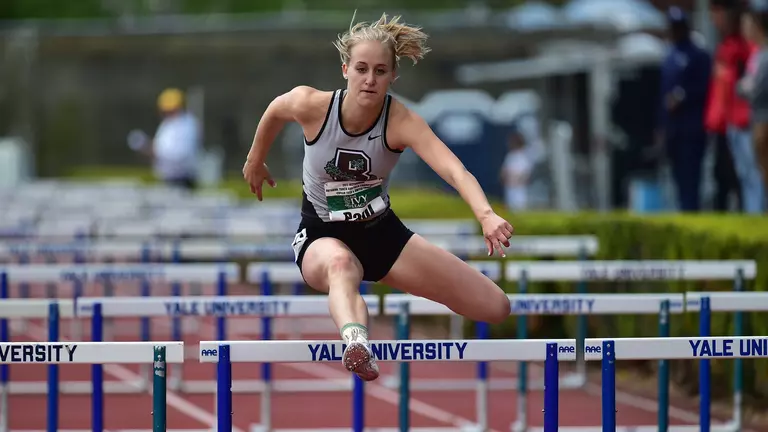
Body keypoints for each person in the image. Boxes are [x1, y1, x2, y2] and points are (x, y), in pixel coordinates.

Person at [242, 12, 513, 381]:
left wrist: (485, 215)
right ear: (345, 70)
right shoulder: (312, 105)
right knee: (341, 266)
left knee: (496, 307)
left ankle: (394, 284)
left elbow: (453, 170)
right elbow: (276, 109)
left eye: (381, 71)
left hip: (382, 234)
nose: (370, 80)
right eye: (362, 69)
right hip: (322, 234)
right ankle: (356, 342)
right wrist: (255, 159)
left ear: (393, 76)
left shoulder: (401, 121)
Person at [655, 7, 712, 211]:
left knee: (691, 179)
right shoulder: (669, 55)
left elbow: (704, 87)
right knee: (676, 179)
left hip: (692, 128)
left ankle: (691, 211)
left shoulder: (698, 54)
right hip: (673, 129)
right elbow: (663, 94)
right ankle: (681, 211)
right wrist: (660, 127)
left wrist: (683, 96)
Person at [128, 88, 202, 191]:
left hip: (182, 179)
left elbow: (180, 153)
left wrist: (153, 150)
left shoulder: (187, 124)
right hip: (167, 178)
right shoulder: (167, 124)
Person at [739, 0, 768, 202]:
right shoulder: (757, 54)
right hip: (757, 118)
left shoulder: (765, 56)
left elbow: (755, 88)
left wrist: (743, 87)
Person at [500, 129, 532, 211]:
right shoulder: (510, 156)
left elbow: (526, 172)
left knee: (520, 208)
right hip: (510, 187)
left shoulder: (524, 156)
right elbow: (504, 171)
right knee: (510, 208)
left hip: (519, 188)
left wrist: (518, 180)